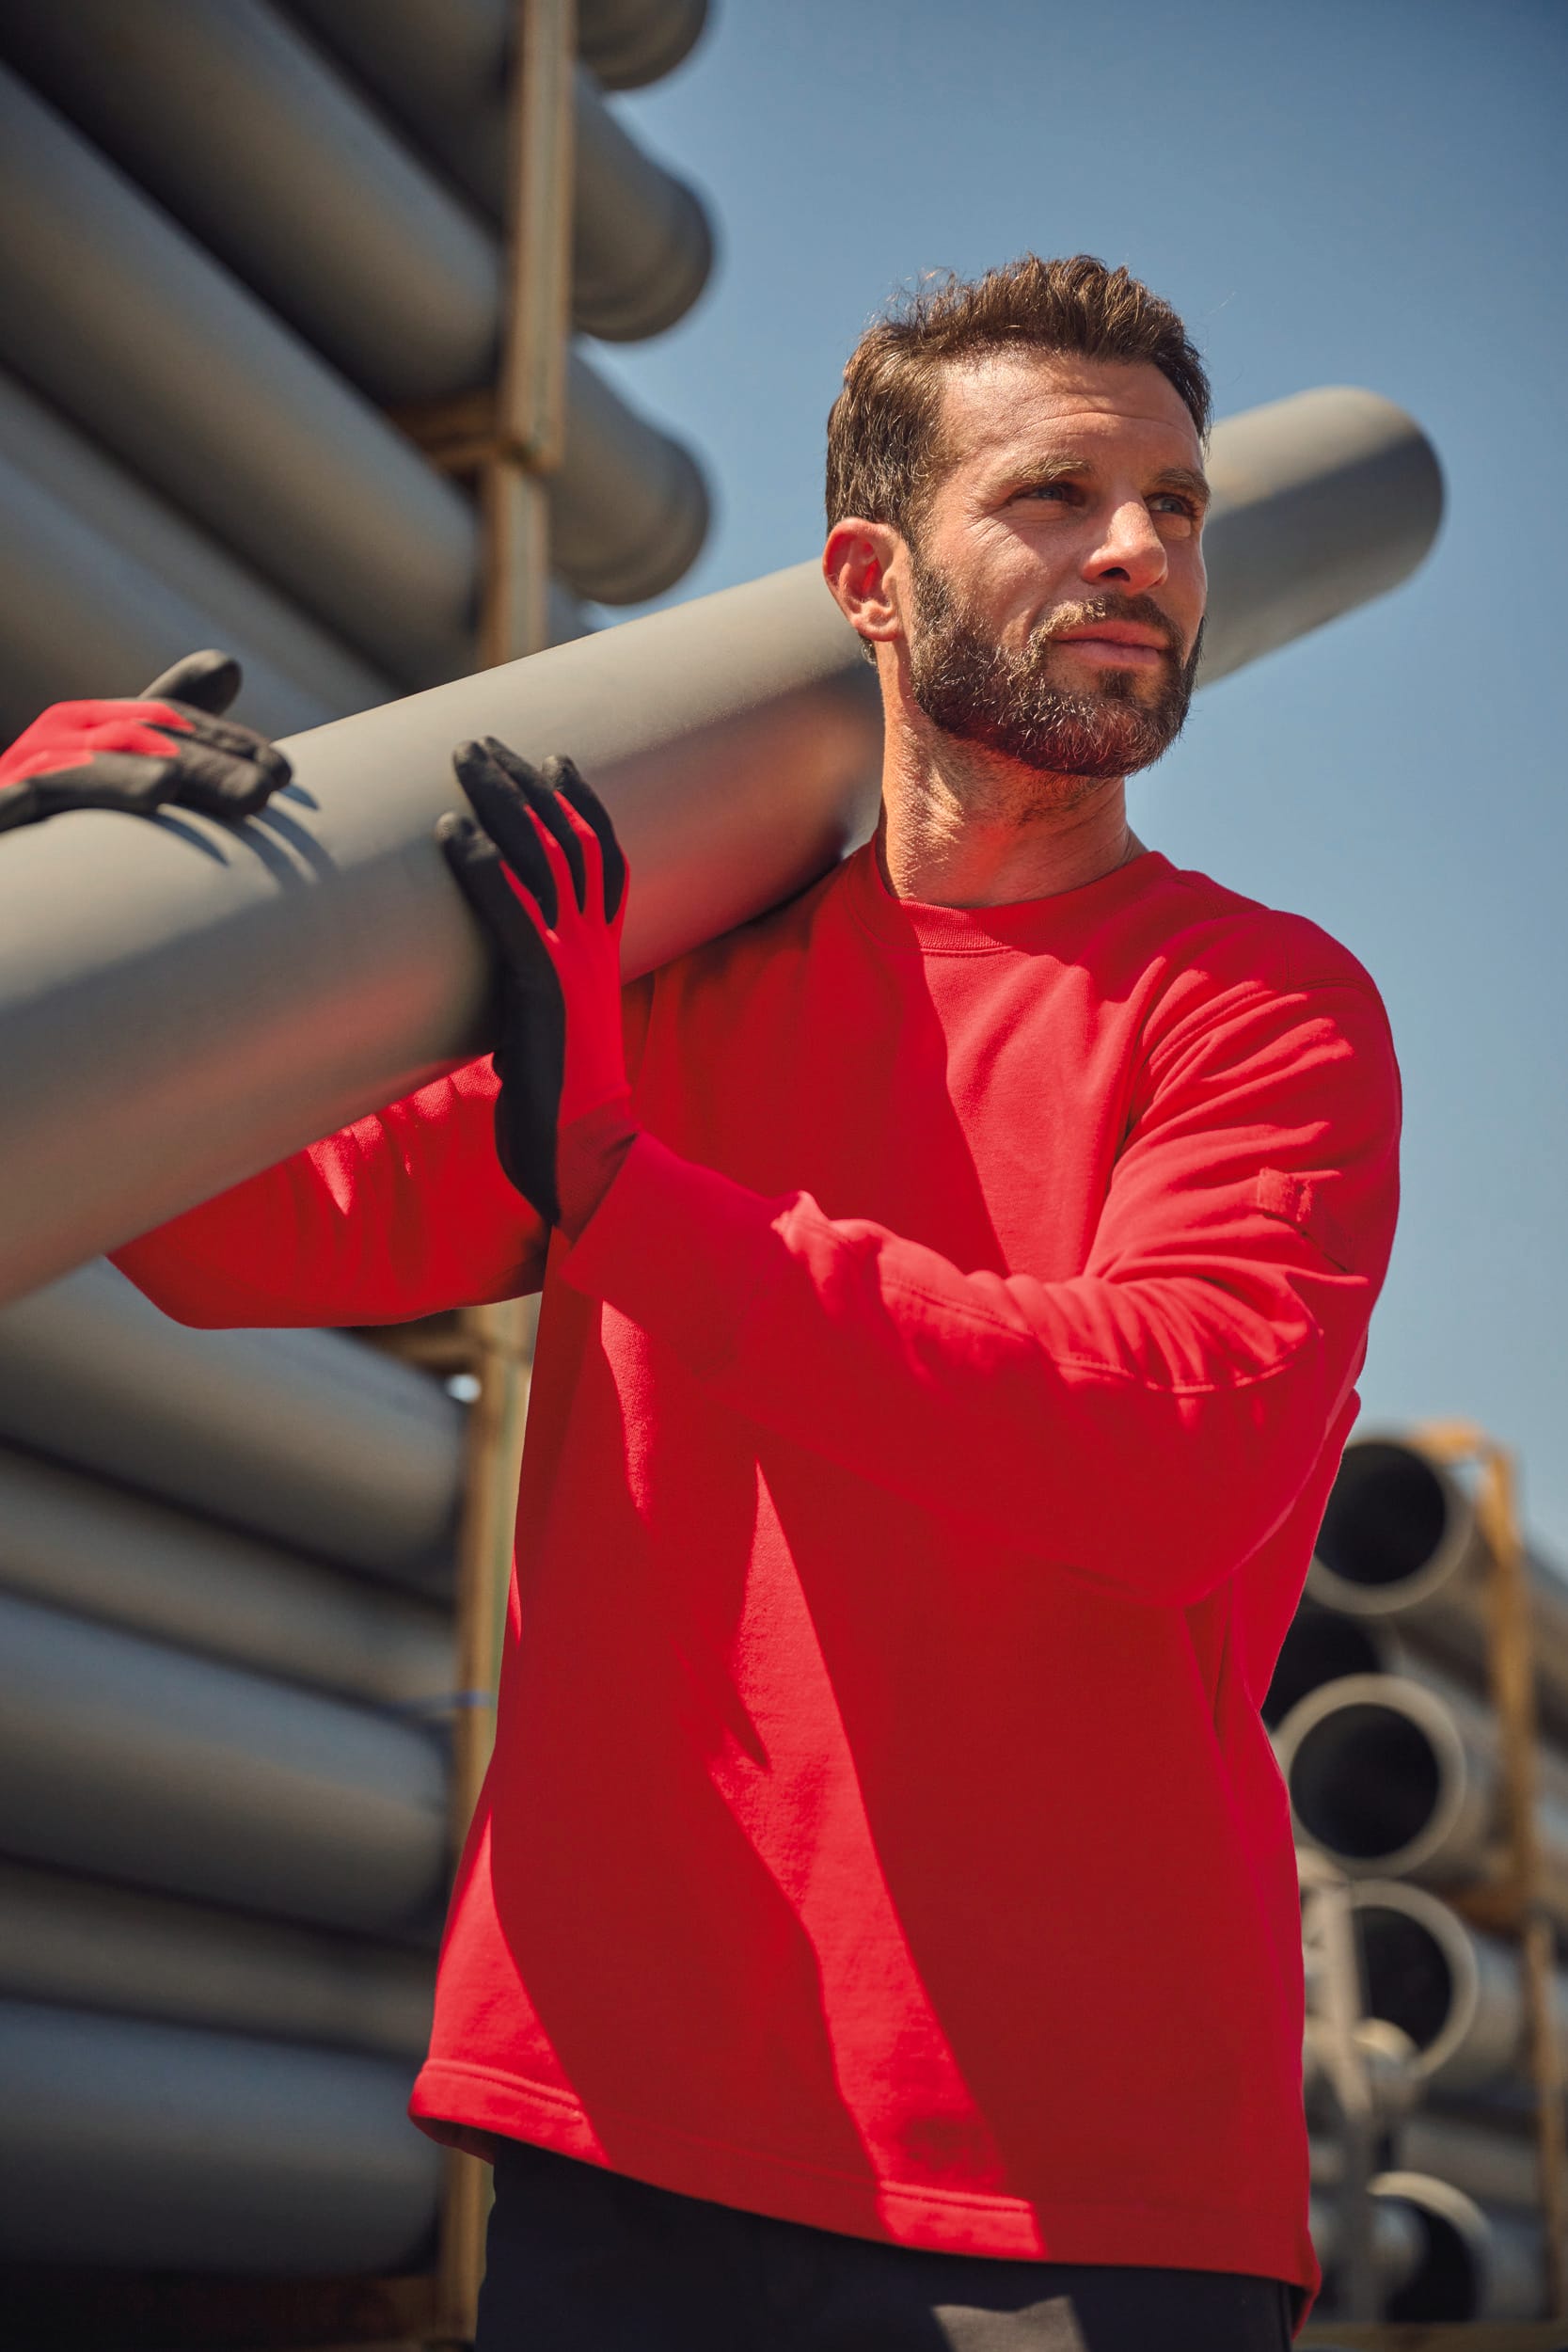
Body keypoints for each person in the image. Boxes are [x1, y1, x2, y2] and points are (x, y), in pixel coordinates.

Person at [5, 256, 1400, 2349]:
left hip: (1061, 2184)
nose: (1140, 550)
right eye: (1057, 495)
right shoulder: (658, 984)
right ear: (869, 570)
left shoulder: (1260, 1008)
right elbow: (230, 1237)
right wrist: (70, 901)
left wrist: (634, 1202)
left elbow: (1169, 1453)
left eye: (1180, 508)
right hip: (625, 2137)